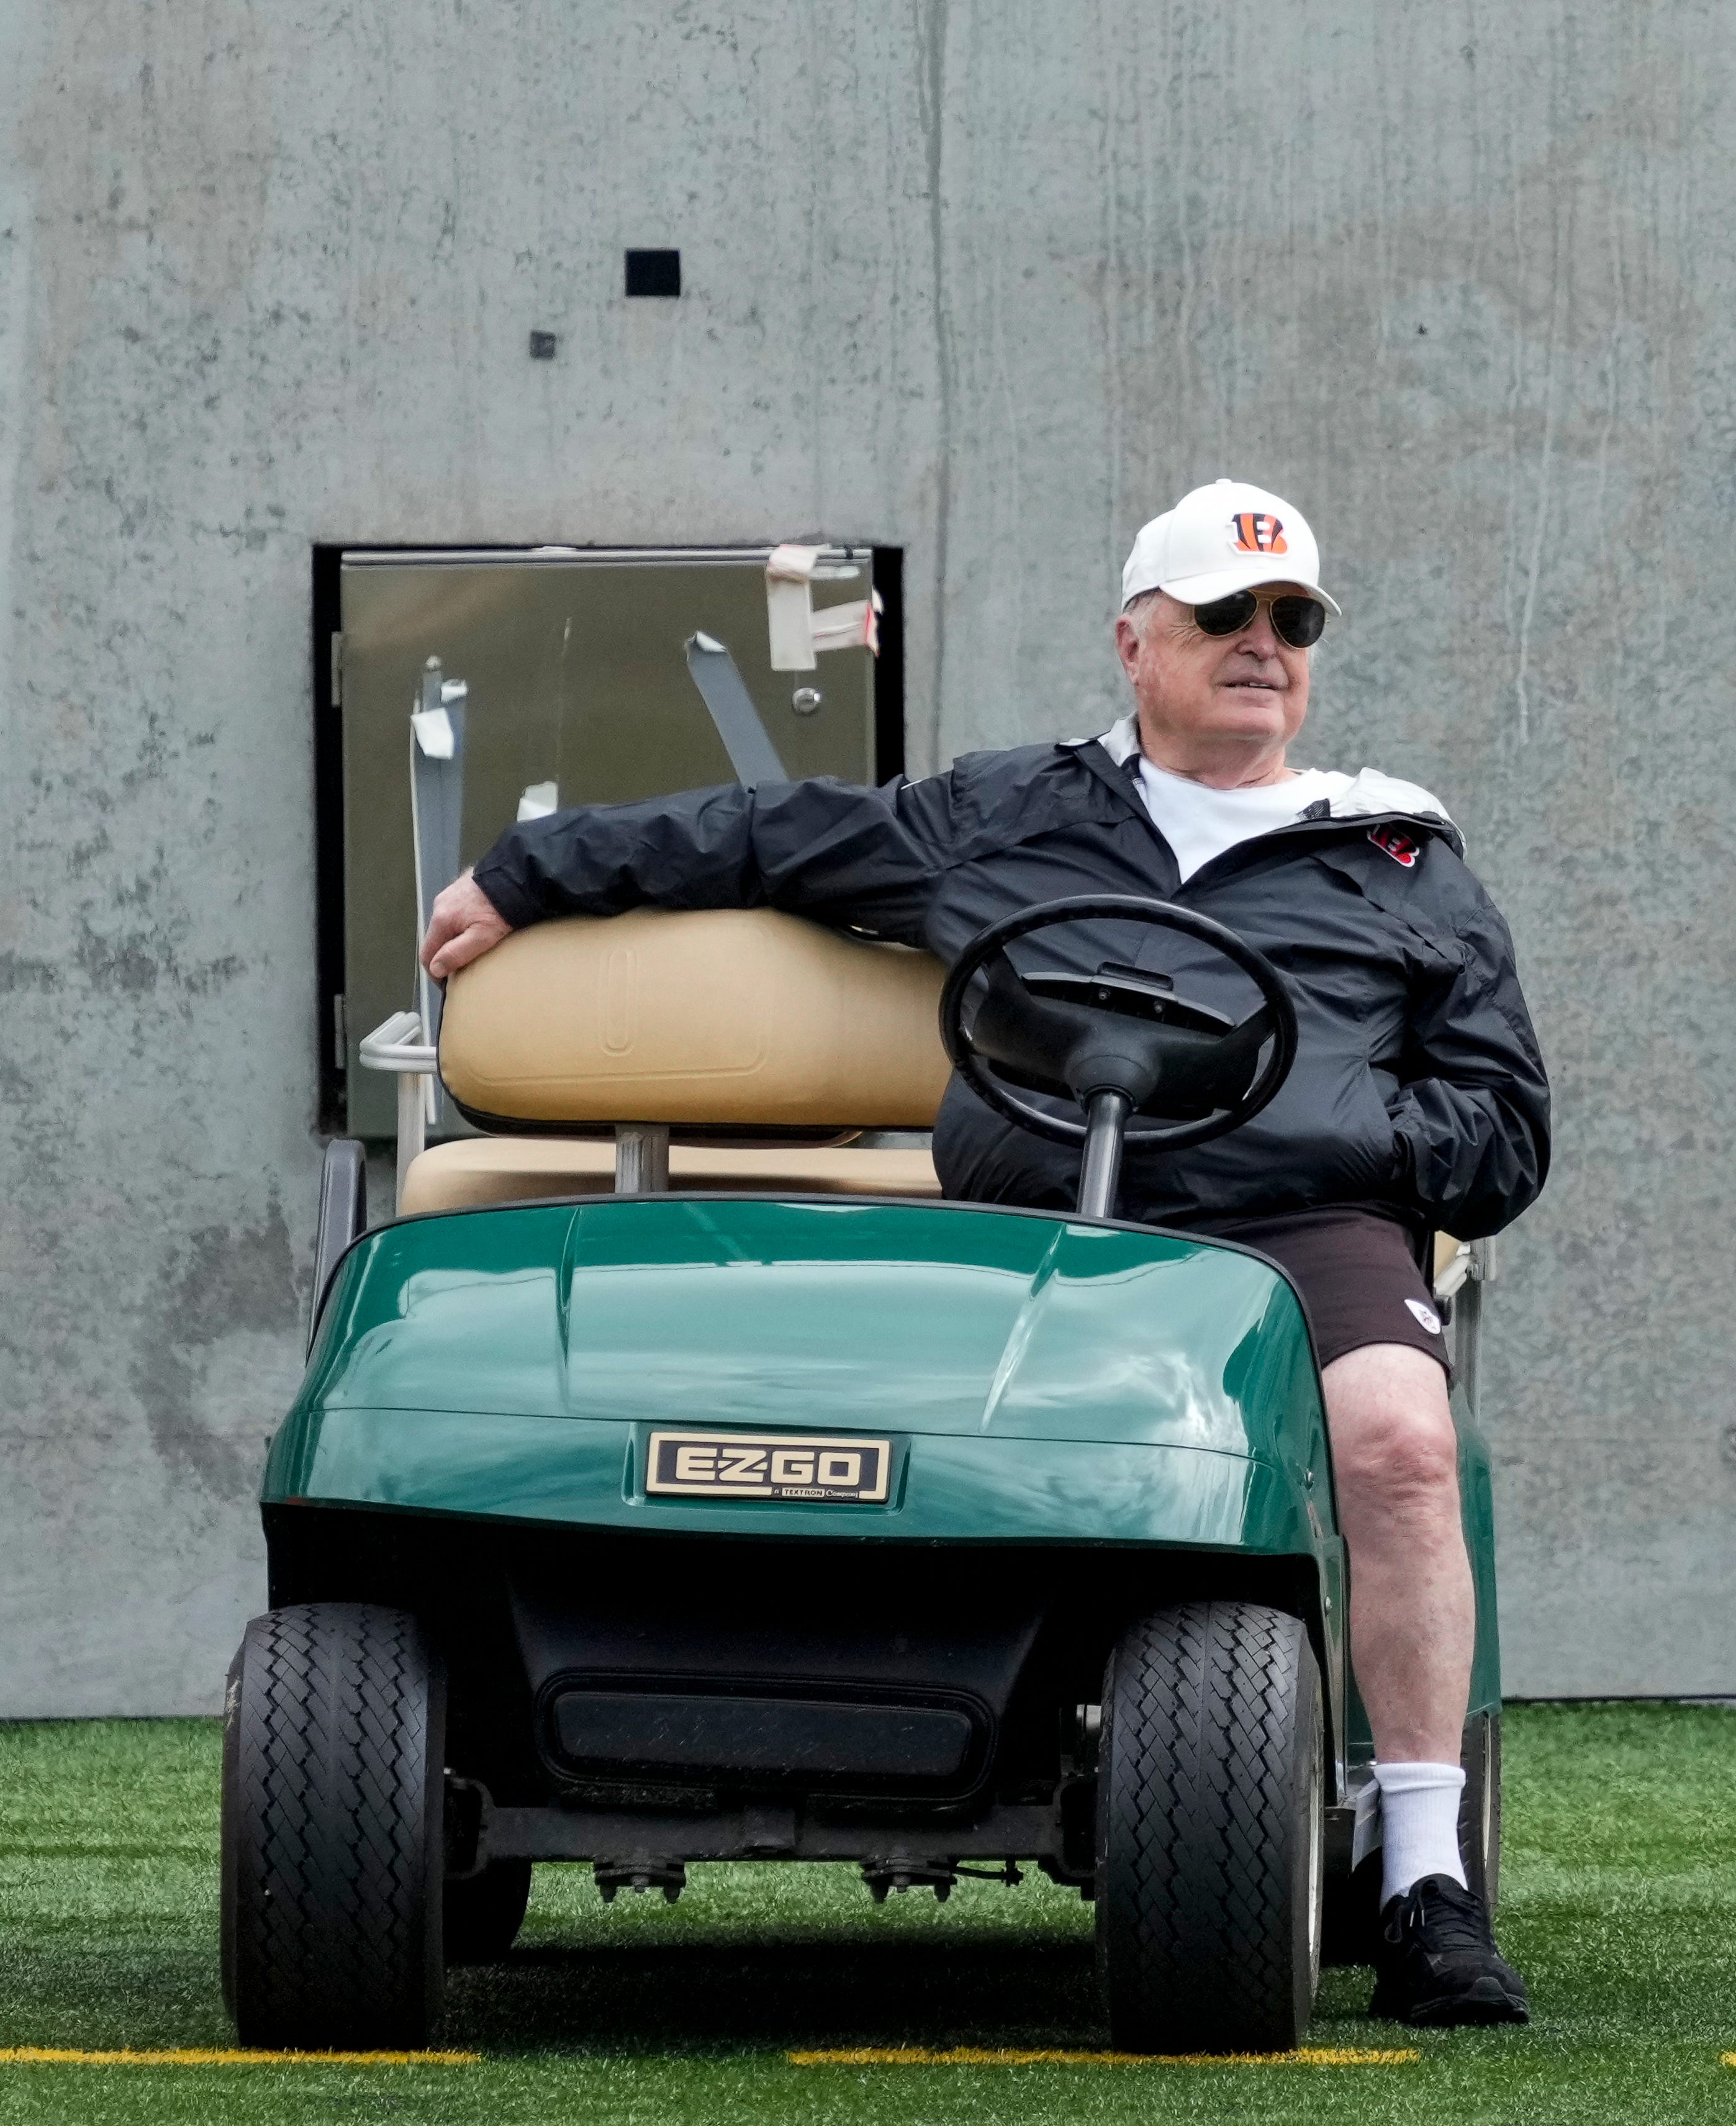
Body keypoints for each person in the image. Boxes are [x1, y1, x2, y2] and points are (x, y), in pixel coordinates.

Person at [418, 479, 1544, 2027]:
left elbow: (1501, 1130)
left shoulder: (1401, 859)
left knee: (1402, 1436)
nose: (1263, 647)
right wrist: (528, 873)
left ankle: (1424, 1876)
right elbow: (767, 835)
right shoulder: (1011, 813)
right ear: (1136, 644)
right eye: (1225, 616)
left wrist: (1322, 1131)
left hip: (1302, 1235)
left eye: (1292, 622)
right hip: (1037, 1236)